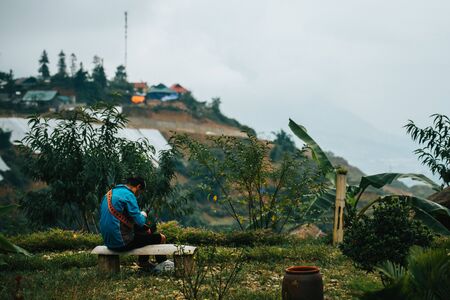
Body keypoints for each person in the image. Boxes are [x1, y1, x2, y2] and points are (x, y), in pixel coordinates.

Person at [99, 176, 167, 269]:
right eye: (140, 192)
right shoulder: (129, 195)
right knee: (160, 237)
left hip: (108, 242)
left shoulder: (109, 194)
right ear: (138, 187)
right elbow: (140, 221)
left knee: (146, 232)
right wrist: (143, 214)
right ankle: (163, 266)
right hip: (121, 243)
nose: (138, 195)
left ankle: (144, 262)